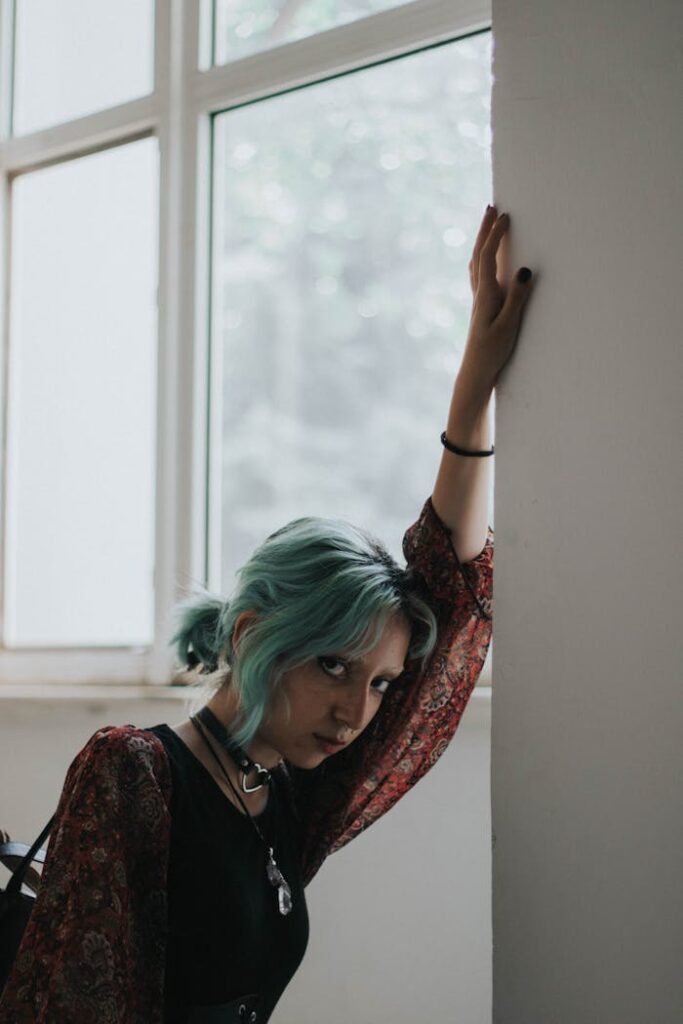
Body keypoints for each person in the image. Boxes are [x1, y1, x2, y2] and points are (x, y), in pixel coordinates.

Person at [0, 205, 534, 1023]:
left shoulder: (291, 792)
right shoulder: (135, 771)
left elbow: (452, 600)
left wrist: (474, 393)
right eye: (333, 665)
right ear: (253, 632)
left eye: (382, 684)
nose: (357, 712)